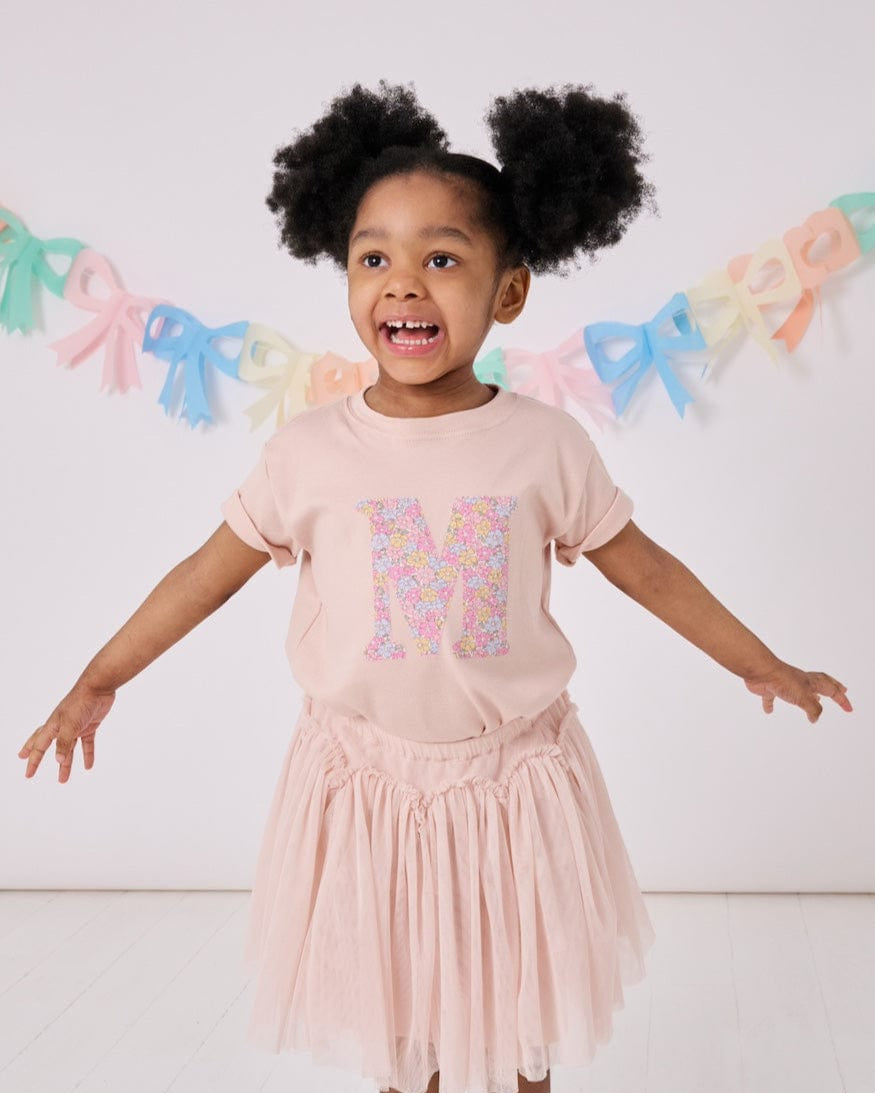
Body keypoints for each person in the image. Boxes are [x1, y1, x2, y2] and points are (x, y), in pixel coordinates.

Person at [18, 80, 853, 1093]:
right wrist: (99, 676)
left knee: (514, 1027)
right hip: (362, 786)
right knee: (397, 1021)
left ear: (507, 292)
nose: (403, 285)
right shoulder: (311, 451)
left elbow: (647, 569)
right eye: (374, 258)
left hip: (511, 787)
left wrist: (758, 662)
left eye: (441, 259)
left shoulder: (542, 443)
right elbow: (204, 574)